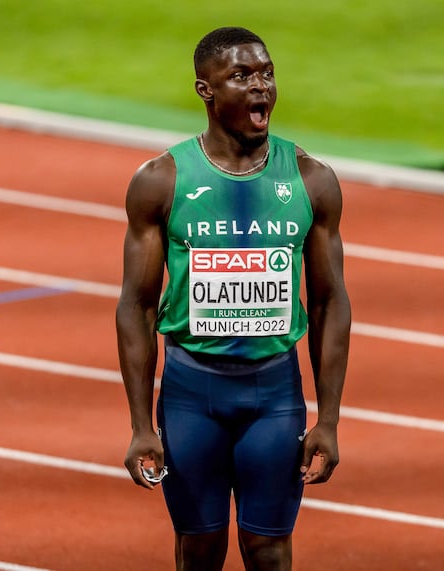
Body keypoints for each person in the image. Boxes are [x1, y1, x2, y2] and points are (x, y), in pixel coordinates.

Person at [116, 26, 351, 571]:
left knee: (268, 550)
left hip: (274, 394)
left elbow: (329, 303)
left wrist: (330, 419)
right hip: (190, 393)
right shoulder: (161, 181)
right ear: (206, 89)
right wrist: (140, 426)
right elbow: (137, 305)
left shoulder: (312, 180)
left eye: (266, 74)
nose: (260, 87)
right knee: (198, 551)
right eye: (241, 76)